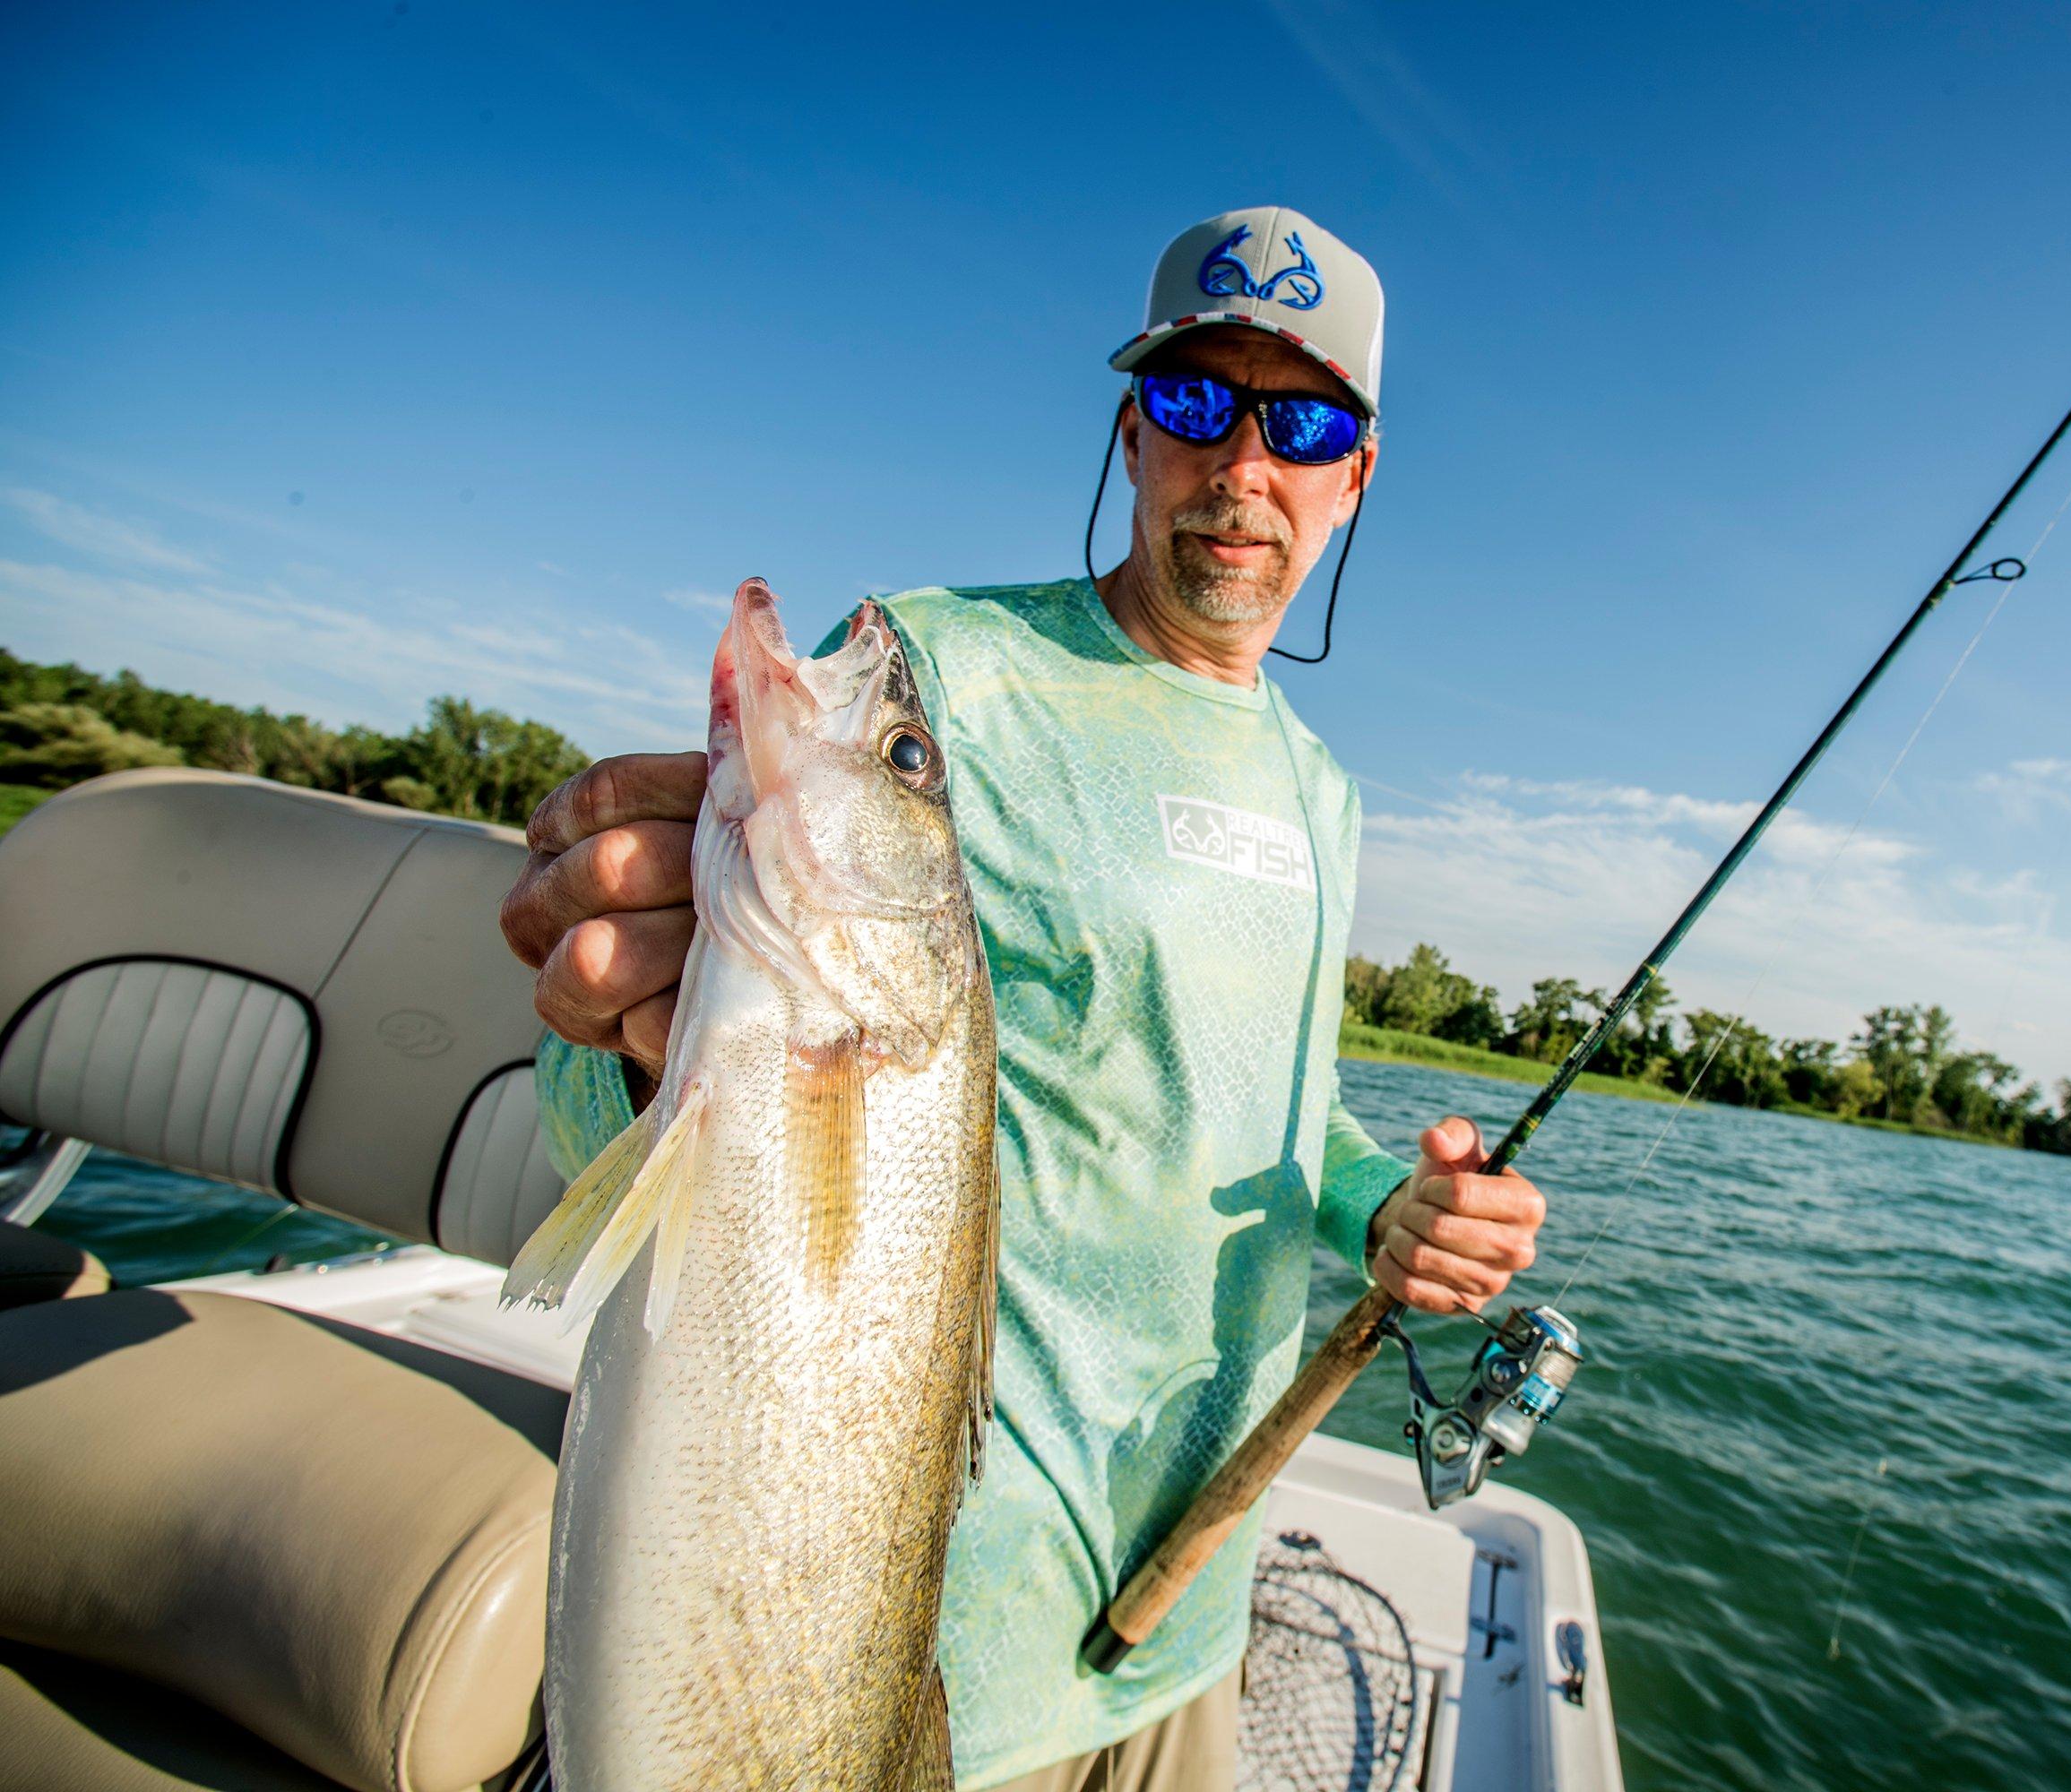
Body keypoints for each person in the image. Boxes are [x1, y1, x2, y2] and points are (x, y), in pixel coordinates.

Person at [497, 206, 1552, 1791]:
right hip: (906, 1619)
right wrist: (632, 1033)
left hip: (1182, 1607)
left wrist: (1388, 1209)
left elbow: (1280, 1108)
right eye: (1198, 402)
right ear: (1134, 432)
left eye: (1303, 421)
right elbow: (602, 1102)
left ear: (1357, 474)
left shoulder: (1327, 795)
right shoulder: (925, 673)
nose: (1241, 466)